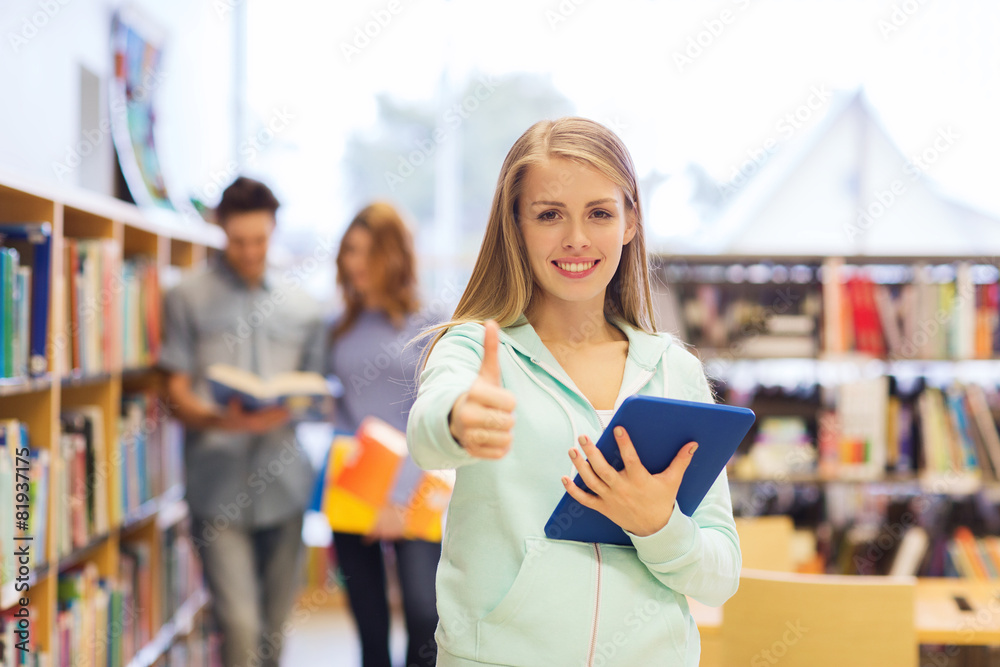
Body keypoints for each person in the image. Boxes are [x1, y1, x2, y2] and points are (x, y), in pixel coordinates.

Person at [406, 117, 741, 665]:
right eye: (549, 215)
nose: (577, 238)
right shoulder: (475, 349)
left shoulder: (674, 371)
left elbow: (720, 575)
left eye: (600, 213)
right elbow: (427, 436)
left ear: (631, 221)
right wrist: (459, 420)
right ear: (515, 225)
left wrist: (658, 526)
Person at [159, 176, 325, 667]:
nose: (250, 252)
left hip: (287, 484)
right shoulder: (185, 298)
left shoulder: (306, 307)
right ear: (220, 231)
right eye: (238, 241)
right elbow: (174, 394)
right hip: (217, 485)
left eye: (260, 240)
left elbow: (316, 392)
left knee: (273, 635)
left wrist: (293, 405)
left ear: (274, 231)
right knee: (240, 629)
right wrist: (220, 418)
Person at [327, 202, 442, 667]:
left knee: (423, 617)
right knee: (368, 626)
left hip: (418, 487)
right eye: (348, 251)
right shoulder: (337, 327)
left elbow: (434, 414)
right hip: (353, 488)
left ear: (393, 255)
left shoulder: (433, 322)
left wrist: (394, 498)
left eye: (366, 252)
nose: (353, 263)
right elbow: (337, 409)